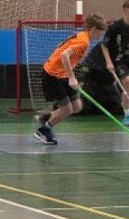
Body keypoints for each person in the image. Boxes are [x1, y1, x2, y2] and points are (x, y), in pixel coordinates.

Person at [33, 14, 106, 145]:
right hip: (53, 75)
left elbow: (61, 47)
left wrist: (69, 74)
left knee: (77, 106)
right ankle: (43, 130)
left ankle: (47, 117)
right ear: (94, 29)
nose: (102, 35)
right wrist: (72, 78)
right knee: (67, 109)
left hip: (63, 74)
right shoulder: (84, 42)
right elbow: (64, 55)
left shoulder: (83, 36)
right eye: (102, 31)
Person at [103, 0, 129, 125]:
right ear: (125, 10)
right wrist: (108, 62)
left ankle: (127, 107)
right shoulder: (115, 27)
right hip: (119, 60)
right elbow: (104, 45)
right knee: (127, 83)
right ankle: (126, 115)